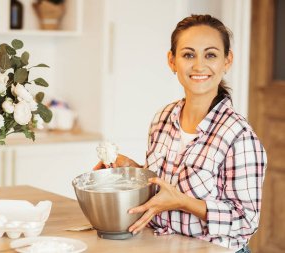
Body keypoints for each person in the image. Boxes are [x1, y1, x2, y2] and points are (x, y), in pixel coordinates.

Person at [94, 14, 267, 253]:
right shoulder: (162, 118)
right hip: (161, 245)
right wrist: (129, 171)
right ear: (172, 61)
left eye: (210, 55)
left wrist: (184, 203)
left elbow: (246, 220)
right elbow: (163, 186)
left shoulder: (239, 136)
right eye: (188, 55)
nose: (198, 66)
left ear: (227, 61)